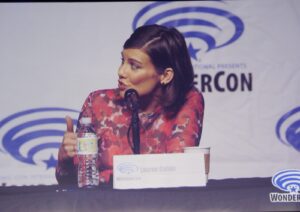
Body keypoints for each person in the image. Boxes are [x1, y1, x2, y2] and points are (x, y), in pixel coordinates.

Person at [56, 24, 205, 185]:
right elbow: (71, 183)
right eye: (123, 61)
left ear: (165, 76)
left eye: (134, 66)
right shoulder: (98, 102)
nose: (121, 71)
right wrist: (65, 160)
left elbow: (178, 171)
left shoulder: (187, 100)